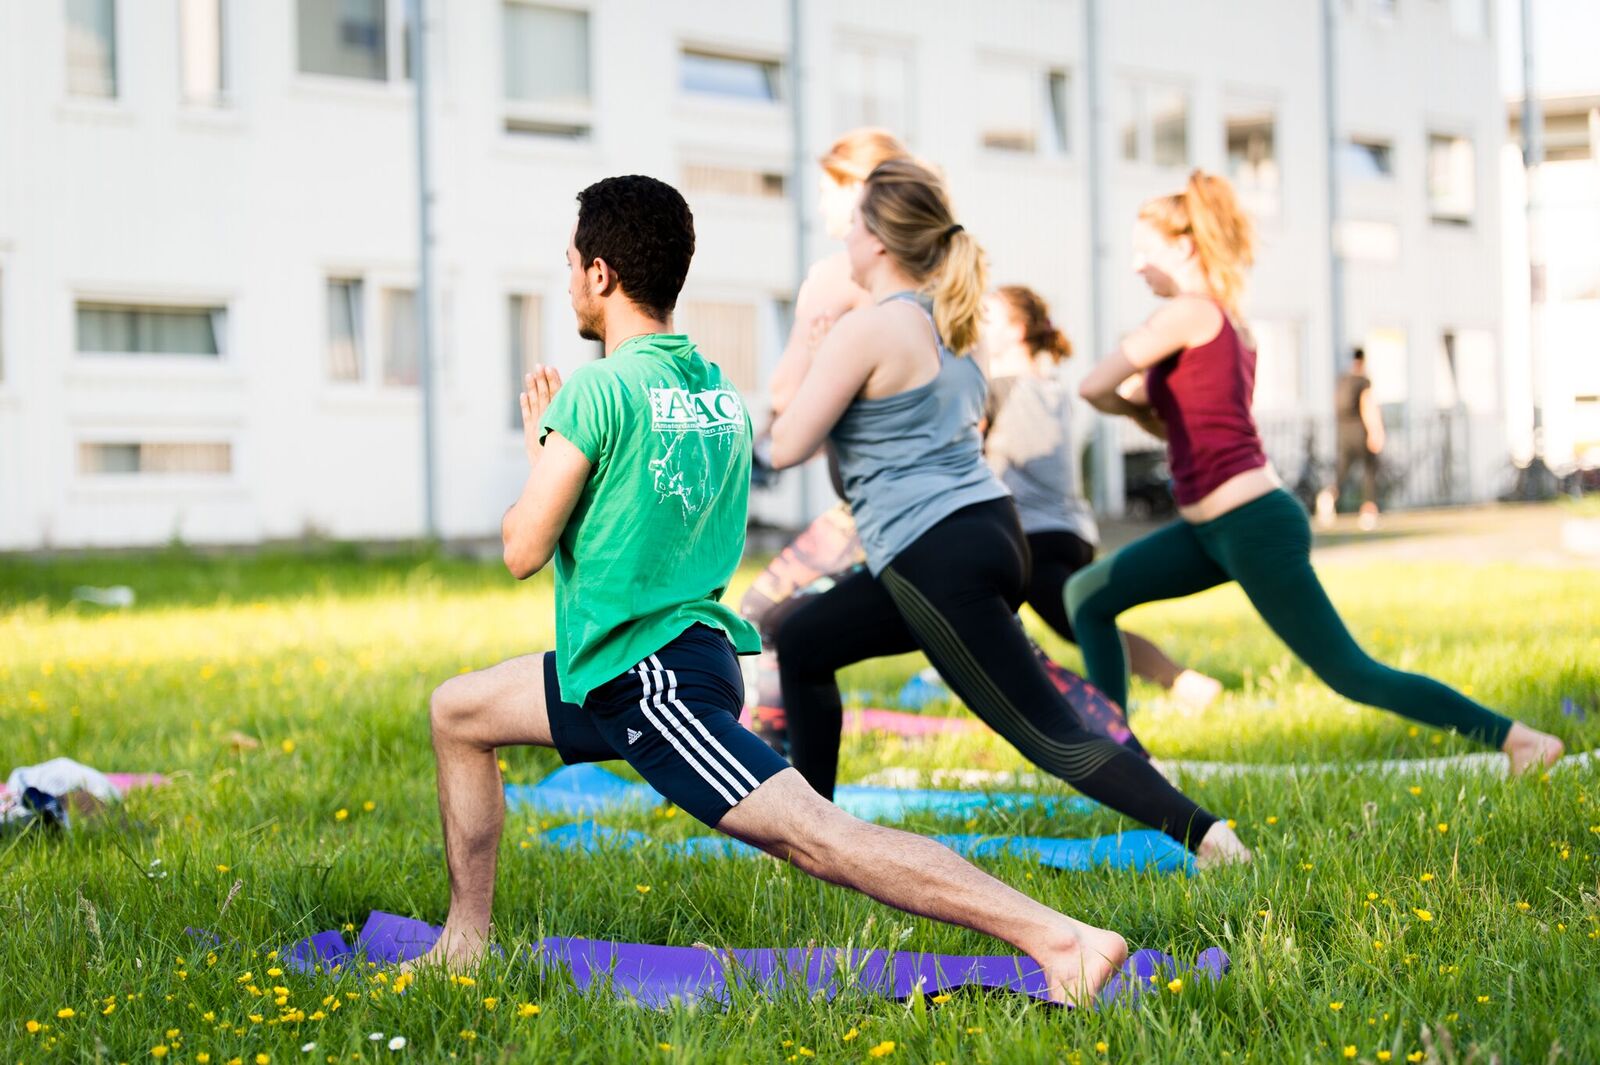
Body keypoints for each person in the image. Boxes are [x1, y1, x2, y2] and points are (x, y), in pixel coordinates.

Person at [414, 174, 1131, 1004]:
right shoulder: (713, 389)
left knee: (817, 837)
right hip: (651, 659)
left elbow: (521, 547)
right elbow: (640, 519)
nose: (569, 279)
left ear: (602, 275)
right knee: (459, 712)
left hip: (650, 681)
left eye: (573, 263)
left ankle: (1061, 937)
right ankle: (465, 938)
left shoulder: (599, 390)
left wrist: (545, 447)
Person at [767, 159, 1250, 867]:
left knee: (1046, 732)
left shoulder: (864, 331)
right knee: (804, 637)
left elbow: (783, 446)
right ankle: (811, 843)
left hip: (934, 555)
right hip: (982, 532)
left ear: (876, 241)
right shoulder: (952, 324)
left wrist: (810, 337)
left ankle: (1208, 836)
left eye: (852, 222)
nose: (841, 234)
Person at [1069, 170, 1565, 775]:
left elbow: (1093, 384)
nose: (1135, 266)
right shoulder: (1224, 322)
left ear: (1184, 246)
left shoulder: (1187, 313)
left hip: (1250, 524)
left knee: (1352, 674)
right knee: (1087, 595)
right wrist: (1139, 403)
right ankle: (1121, 763)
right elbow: (1179, 426)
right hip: (1212, 529)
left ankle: (1521, 741)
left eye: (1145, 251)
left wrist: (1123, 400)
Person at [740, 129, 913, 745]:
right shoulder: (924, 276)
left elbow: (788, 402)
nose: (817, 206)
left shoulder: (838, 276)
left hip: (879, 508)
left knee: (759, 621)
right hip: (937, 504)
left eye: (824, 190)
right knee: (1006, 663)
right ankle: (1125, 749)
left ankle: (772, 788)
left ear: (857, 190)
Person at [980, 284, 1223, 710]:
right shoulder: (1051, 387)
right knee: (1065, 620)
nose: (978, 326)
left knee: (1072, 623)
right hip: (1073, 532)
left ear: (1017, 330)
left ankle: (1180, 684)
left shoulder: (996, 388)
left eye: (988, 319)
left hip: (1030, 536)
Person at [1316, 348, 1385, 530]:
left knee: (1343, 472)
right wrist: (1375, 430)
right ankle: (1369, 512)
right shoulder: (1363, 382)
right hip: (1360, 431)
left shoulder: (1342, 381)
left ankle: (1329, 495)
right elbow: (1367, 405)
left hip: (1343, 433)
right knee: (1369, 471)